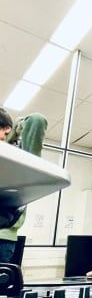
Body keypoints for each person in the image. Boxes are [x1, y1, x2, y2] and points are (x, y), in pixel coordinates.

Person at [0, 107, 47, 262]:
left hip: (3, 237)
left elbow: (36, 120)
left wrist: (16, 127)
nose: (3, 136)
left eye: (6, 133)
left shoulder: (14, 157)